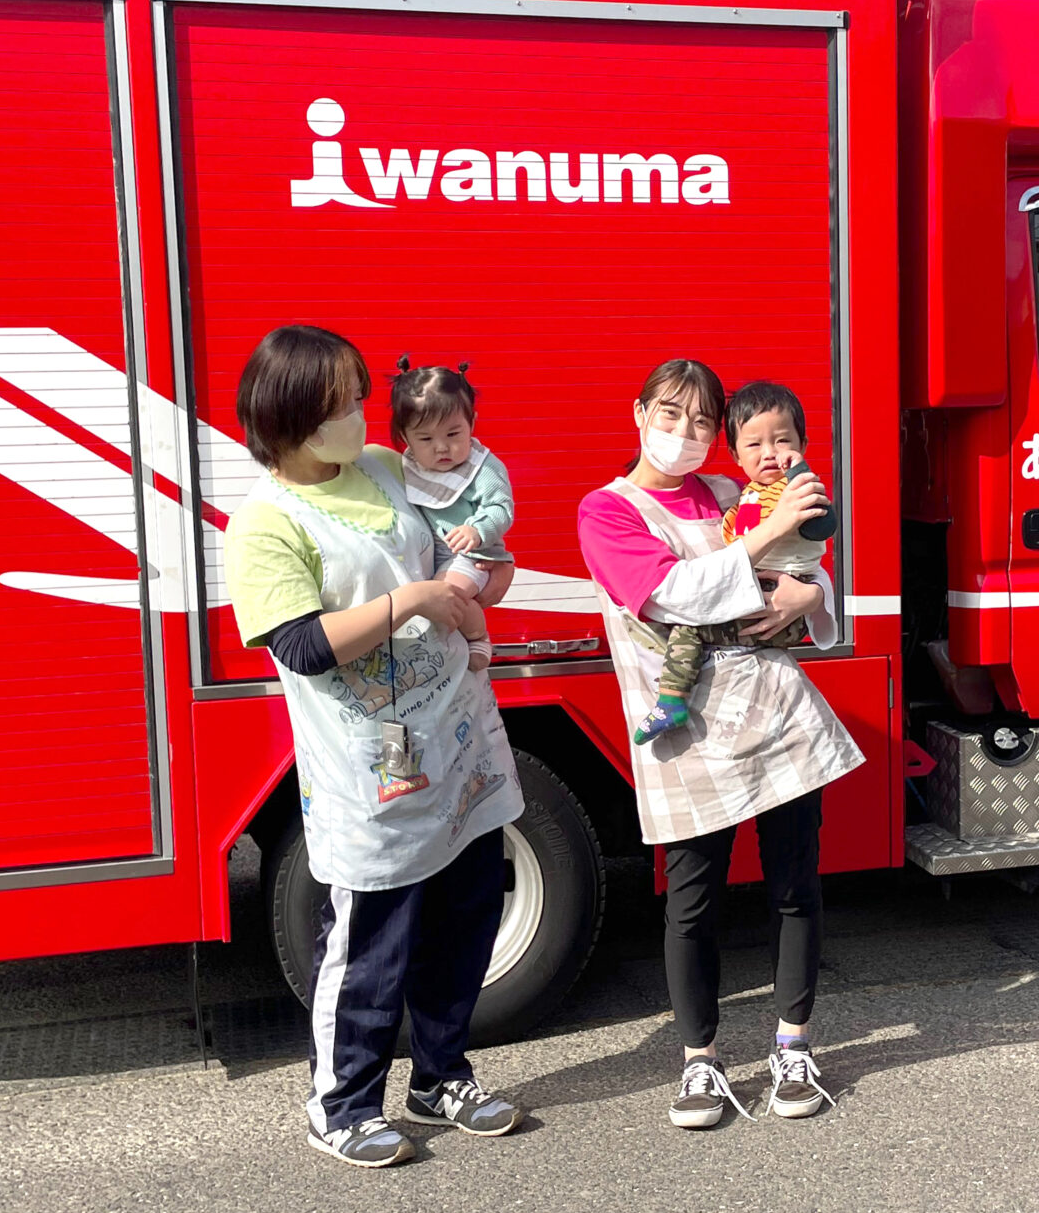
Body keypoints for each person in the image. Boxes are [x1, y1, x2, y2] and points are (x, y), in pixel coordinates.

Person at [222, 324, 527, 1169]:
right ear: (291, 419)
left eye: (360, 397)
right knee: (370, 939)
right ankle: (343, 1102)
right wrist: (416, 600)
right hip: (371, 770)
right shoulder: (264, 522)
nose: (365, 415)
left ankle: (441, 1073)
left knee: (465, 916)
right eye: (344, 403)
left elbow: (473, 527)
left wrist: (486, 576)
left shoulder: (390, 471)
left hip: (455, 740)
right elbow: (302, 646)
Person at [576, 359, 865, 1129]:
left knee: (796, 886)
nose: (684, 434)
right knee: (693, 904)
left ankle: (793, 1045)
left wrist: (813, 593)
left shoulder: (734, 495)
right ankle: (700, 1062)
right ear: (637, 412)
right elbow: (671, 596)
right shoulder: (608, 511)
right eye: (670, 415)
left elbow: (804, 567)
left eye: (702, 423)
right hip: (688, 734)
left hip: (776, 716)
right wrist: (773, 534)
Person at [632, 379, 833, 744]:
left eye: (783, 440)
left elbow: (823, 529)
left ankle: (672, 700)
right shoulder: (744, 495)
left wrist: (814, 596)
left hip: (773, 619)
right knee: (689, 621)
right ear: (735, 454)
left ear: (803, 445)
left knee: (691, 629)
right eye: (754, 444)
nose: (770, 452)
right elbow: (677, 596)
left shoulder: (796, 489)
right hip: (740, 699)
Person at [390, 356, 516, 673]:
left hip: (473, 553)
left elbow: (501, 508)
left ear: (472, 423)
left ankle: (478, 637)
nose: (442, 448)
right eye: (426, 438)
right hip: (433, 554)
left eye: (453, 434)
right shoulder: (404, 467)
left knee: (448, 594)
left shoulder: (483, 467)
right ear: (405, 437)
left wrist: (477, 530)